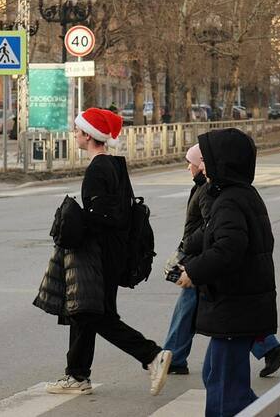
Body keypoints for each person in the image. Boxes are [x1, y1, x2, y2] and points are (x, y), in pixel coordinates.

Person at [35, 108, 172, 396]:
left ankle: (151, 355)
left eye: (77, 130)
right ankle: (77, 375)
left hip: (100, 256)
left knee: (95, 315)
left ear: (88, 135)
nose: (74, 134)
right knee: (83, 311)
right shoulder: (113, 165)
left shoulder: (98, 169)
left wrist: (74, 220)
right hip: (111, 254)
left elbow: (106, 217)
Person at [163, 144, 280, 378]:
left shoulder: (213, 193)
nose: (189, 167)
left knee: (191, 309)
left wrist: (191, 254)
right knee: (201, 311)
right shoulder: (205, 189)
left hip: (204, 259)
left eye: (191, 162)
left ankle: (173, 356)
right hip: (202, 258)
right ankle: (269, 347)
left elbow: (215, 230)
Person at [176, 128, 277, 416]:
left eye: (206, 159)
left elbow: (228, 249)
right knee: (217, 377)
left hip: (236, 304)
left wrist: (193, 272)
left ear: (224, 162)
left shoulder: (230, 200)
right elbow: (214, 235)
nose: (202, 166)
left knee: (225, 390)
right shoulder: (236, 195)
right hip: (239, 303)